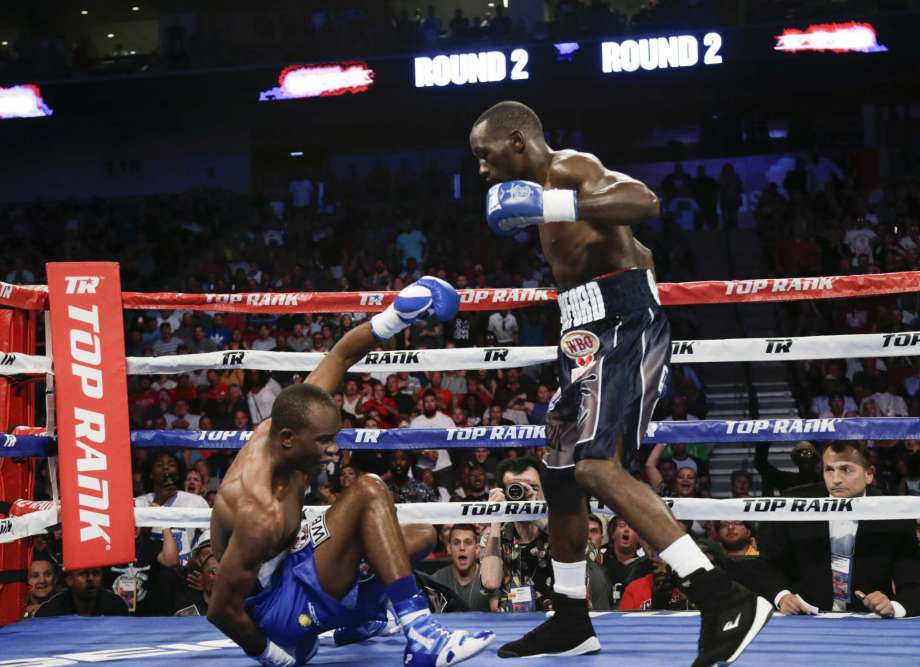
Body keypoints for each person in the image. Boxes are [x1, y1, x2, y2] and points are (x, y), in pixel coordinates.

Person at [470, 100, 771, 663]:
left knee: (593, 466)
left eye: (485, 157)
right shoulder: (544, 195)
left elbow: (645, 201)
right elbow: (643, 250)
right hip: (581, 329)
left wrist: (633, 299)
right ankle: (570, 619)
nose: (482, 172)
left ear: (516, 141)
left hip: (619, 326)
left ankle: (721, 595)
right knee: (558, 475)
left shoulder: (569, 169)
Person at [207, 277, 494, 667]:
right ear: (289, 439)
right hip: (276, 608)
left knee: (418, 538)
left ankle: (362, 619)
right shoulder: (259, 511)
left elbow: (341, 355)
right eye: (324, 441)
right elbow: (221, 609)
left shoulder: (286, 424)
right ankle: (422, 636)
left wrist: (395, 317)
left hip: (294, 566)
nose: (333, 449)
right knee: (369, 489)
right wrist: (277, 658)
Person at [753, 441, 920, 617]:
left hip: (870, 621)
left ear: (869, 474)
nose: (836, 479)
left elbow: (913, 580)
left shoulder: (893, 513)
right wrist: (782, 596)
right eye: (829, 470)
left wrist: (894, 606)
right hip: (804, 618)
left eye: (846, 470)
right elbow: (766, 564)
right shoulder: (793, 504)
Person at [430, 524, 493, 612]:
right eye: (456, 543)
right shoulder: (436, 581)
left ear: (477, 549)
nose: (462, 548)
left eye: (468, 542)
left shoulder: (490, 578)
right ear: (449, 548)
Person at [34, 567, 129, 617]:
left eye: (96, 573)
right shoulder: (51, 610)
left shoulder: (116, 605)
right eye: (83, 573)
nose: (91, 578)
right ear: (69, 580)